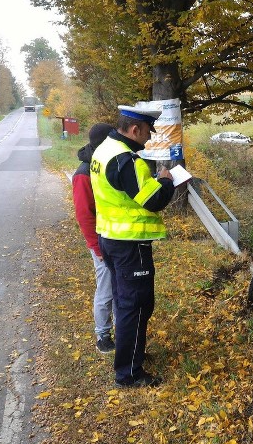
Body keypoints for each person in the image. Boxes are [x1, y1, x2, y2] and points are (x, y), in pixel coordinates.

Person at [90, 104, 174, 388]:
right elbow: (154, 200)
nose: (149, 138)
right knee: (135, 306)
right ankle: (129, 373)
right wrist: (166, 181)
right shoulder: (128, 161)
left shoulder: (103, 151)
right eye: (148, 132)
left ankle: (131, 356)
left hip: (110, 240)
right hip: (130, 246)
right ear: (135, 129)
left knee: (126, 302)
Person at [72, 123, 116, 354]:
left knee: (118, 286)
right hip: (100, 241)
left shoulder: (104, 164)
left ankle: (120, 329)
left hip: (113, 236)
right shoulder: (83, 173)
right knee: (106, 288)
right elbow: (84, 214)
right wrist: (95, 247)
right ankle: (103, 335)